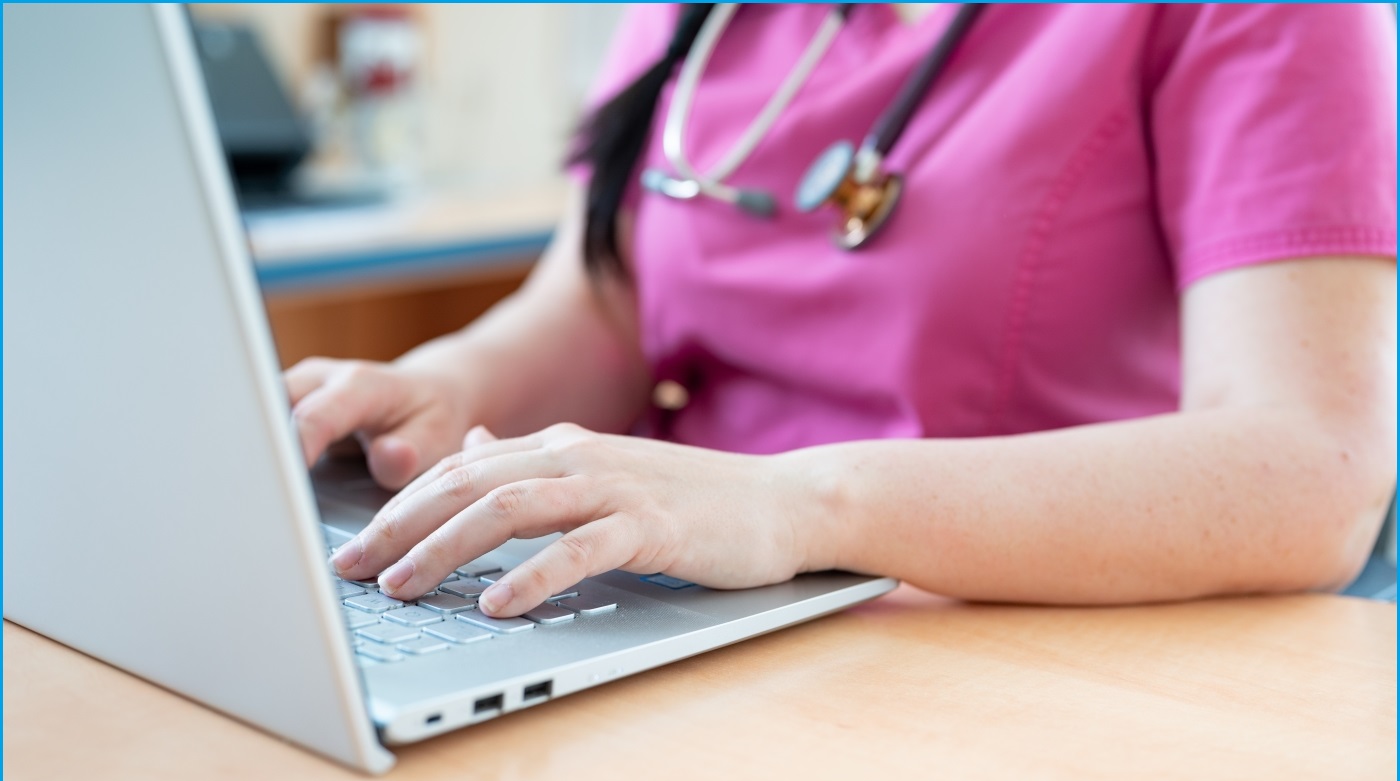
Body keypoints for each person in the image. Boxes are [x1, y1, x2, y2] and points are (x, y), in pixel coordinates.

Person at [290, 4, 1397, 619]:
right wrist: (445, 389)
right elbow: (604, 309)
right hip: (661, 602)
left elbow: (1311, 467)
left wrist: (796, 503)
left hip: (1006, 631)